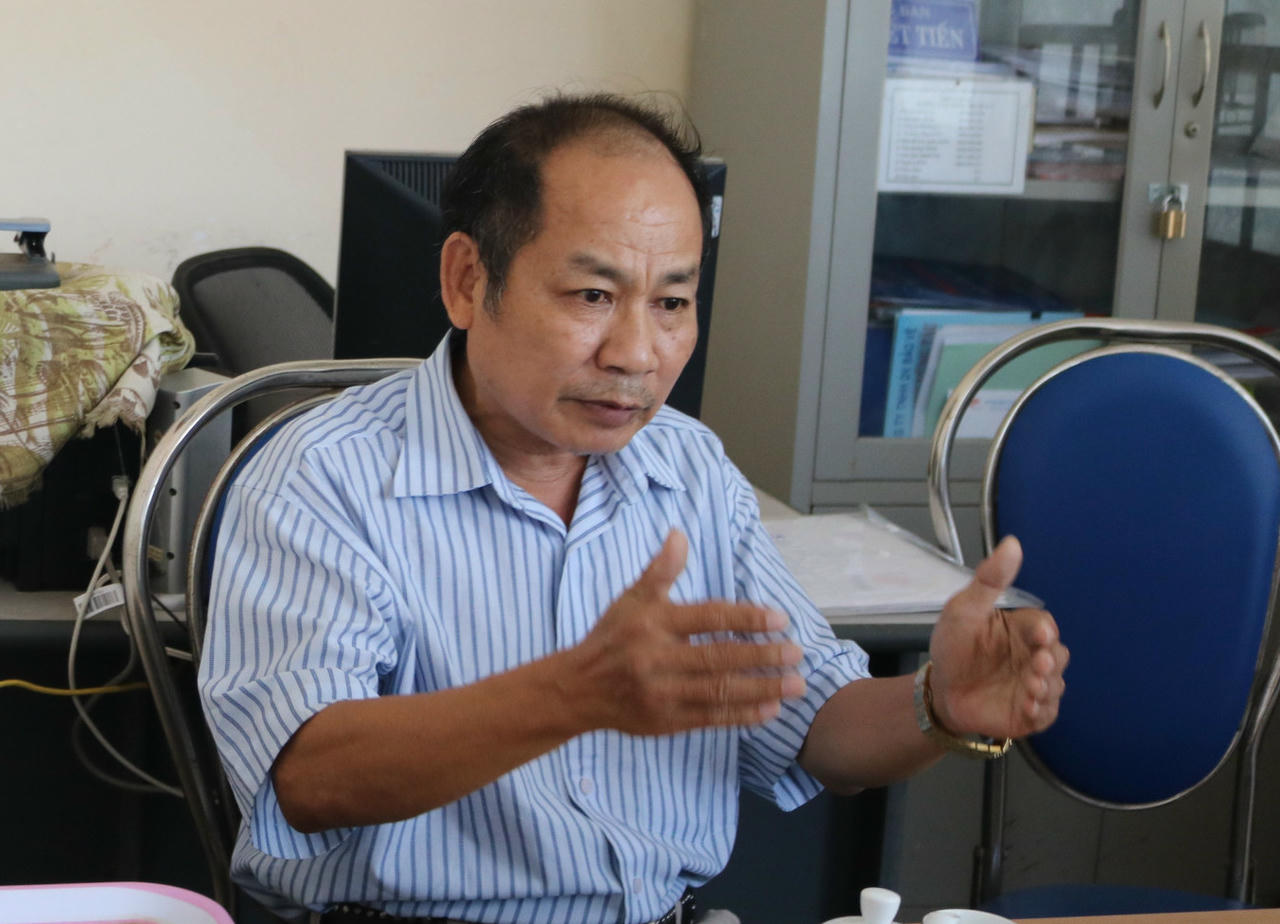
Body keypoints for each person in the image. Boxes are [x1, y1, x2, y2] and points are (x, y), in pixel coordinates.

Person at [198, 93, 1068, 924]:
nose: (637, 354)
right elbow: (308, 777)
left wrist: (935, 705)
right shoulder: (321, 474)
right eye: (593, 296)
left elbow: (818, 726)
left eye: (672, 303)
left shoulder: (689, 468)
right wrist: (573, 694)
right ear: (467, 280)